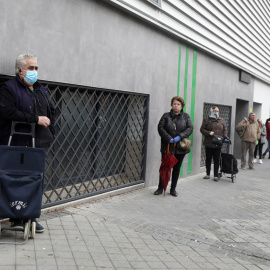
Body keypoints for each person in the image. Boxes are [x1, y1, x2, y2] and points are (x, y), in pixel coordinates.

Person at [0, 53, 55, 233]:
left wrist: (51, 131)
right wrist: (35, 119)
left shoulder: (41, 89)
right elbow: (7, 111)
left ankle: (29, 216)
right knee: (14, 179)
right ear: (20, 70)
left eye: (36, 68)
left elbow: (51, 112)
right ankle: (14, 217)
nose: (34, 71)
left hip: (37, 144)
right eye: (31, 68)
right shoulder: (9, 88)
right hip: (16, 142)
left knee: (35, 181)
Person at [154, 96, 193, 197]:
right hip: (167, 147)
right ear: (171, 105)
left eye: (178, 104)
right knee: (165, 168)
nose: (176, 106)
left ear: (181, 106)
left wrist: (180, 137)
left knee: (176, 169)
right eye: (174, 104)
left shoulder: (186, 116)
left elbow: (190, 128)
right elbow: (160, 127)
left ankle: (173, 189)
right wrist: (169, 138)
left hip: (180, 147)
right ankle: (160, 188)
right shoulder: (166, 116)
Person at [200, 106, 228, 181]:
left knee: (216, 160)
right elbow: (202, 129)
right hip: (209, 143)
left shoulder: (221, 120)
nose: (216, 112)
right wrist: (209, 132)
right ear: (211, 111)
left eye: (217, 111)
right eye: (214, 111)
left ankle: (216, 175)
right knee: (208, 159)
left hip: (218, 143)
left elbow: (224, 129)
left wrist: (225, 137)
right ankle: (207, 174)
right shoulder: (207, 119)